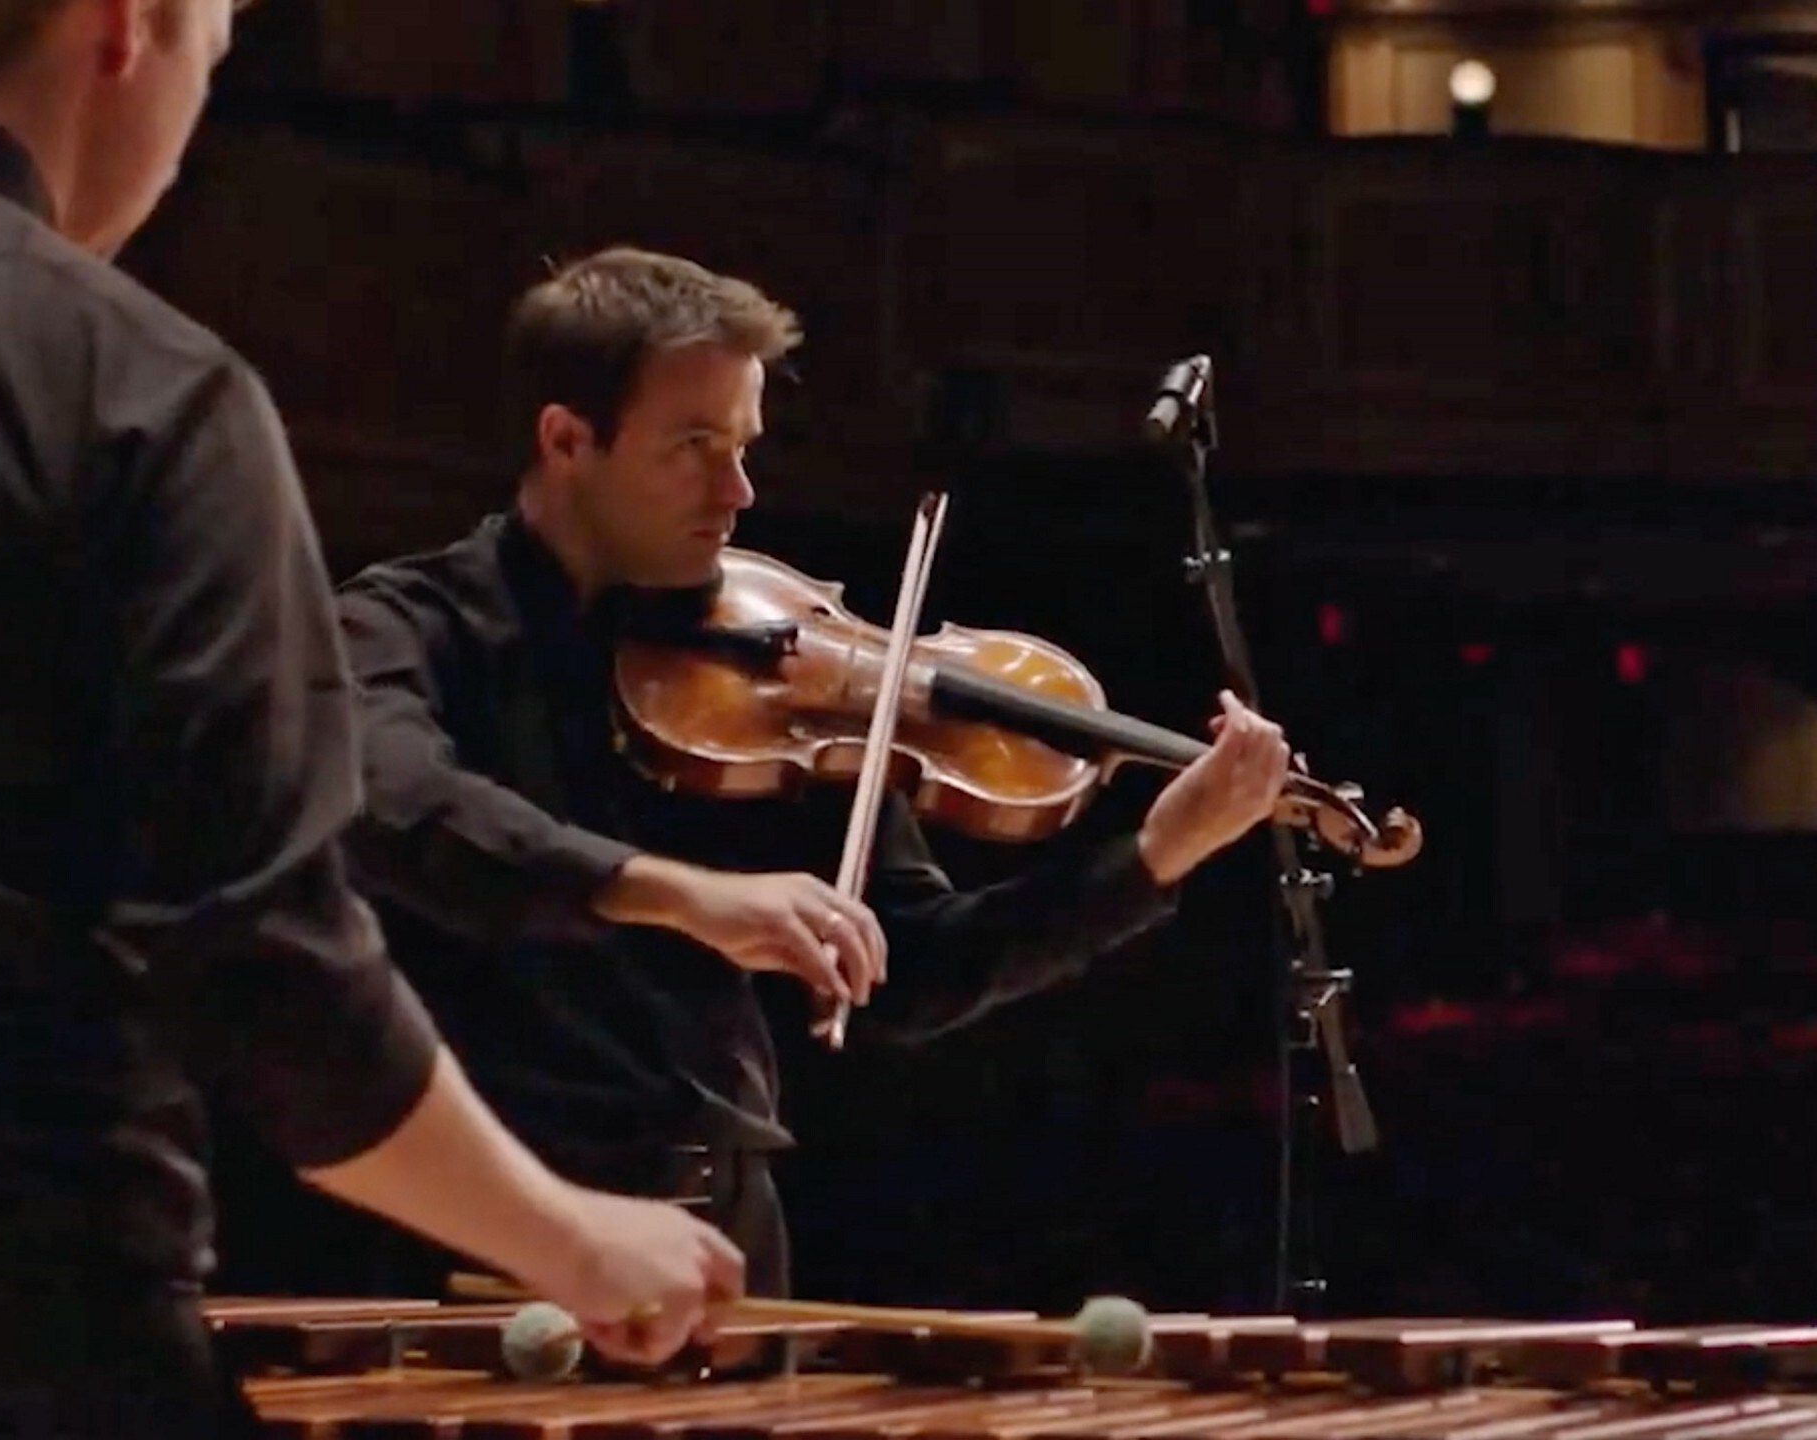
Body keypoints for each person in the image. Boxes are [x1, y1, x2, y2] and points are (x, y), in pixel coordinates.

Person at [0, 7, 741, 1437]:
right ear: (125, 29)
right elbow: (262, 963)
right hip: (5, 1351)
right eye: (212, 55)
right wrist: (573, 1238)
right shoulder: (136, 387)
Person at [314, 247, 1293, 1302]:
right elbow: (392, 801)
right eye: (694, 446)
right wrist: (679, 895)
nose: (736, 491)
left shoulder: (777, 674)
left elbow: (917, 968)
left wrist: (1156, 856)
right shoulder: (407, 627)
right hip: (475, 1234)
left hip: (717, 1224)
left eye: (743, 446)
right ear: (567, 439)